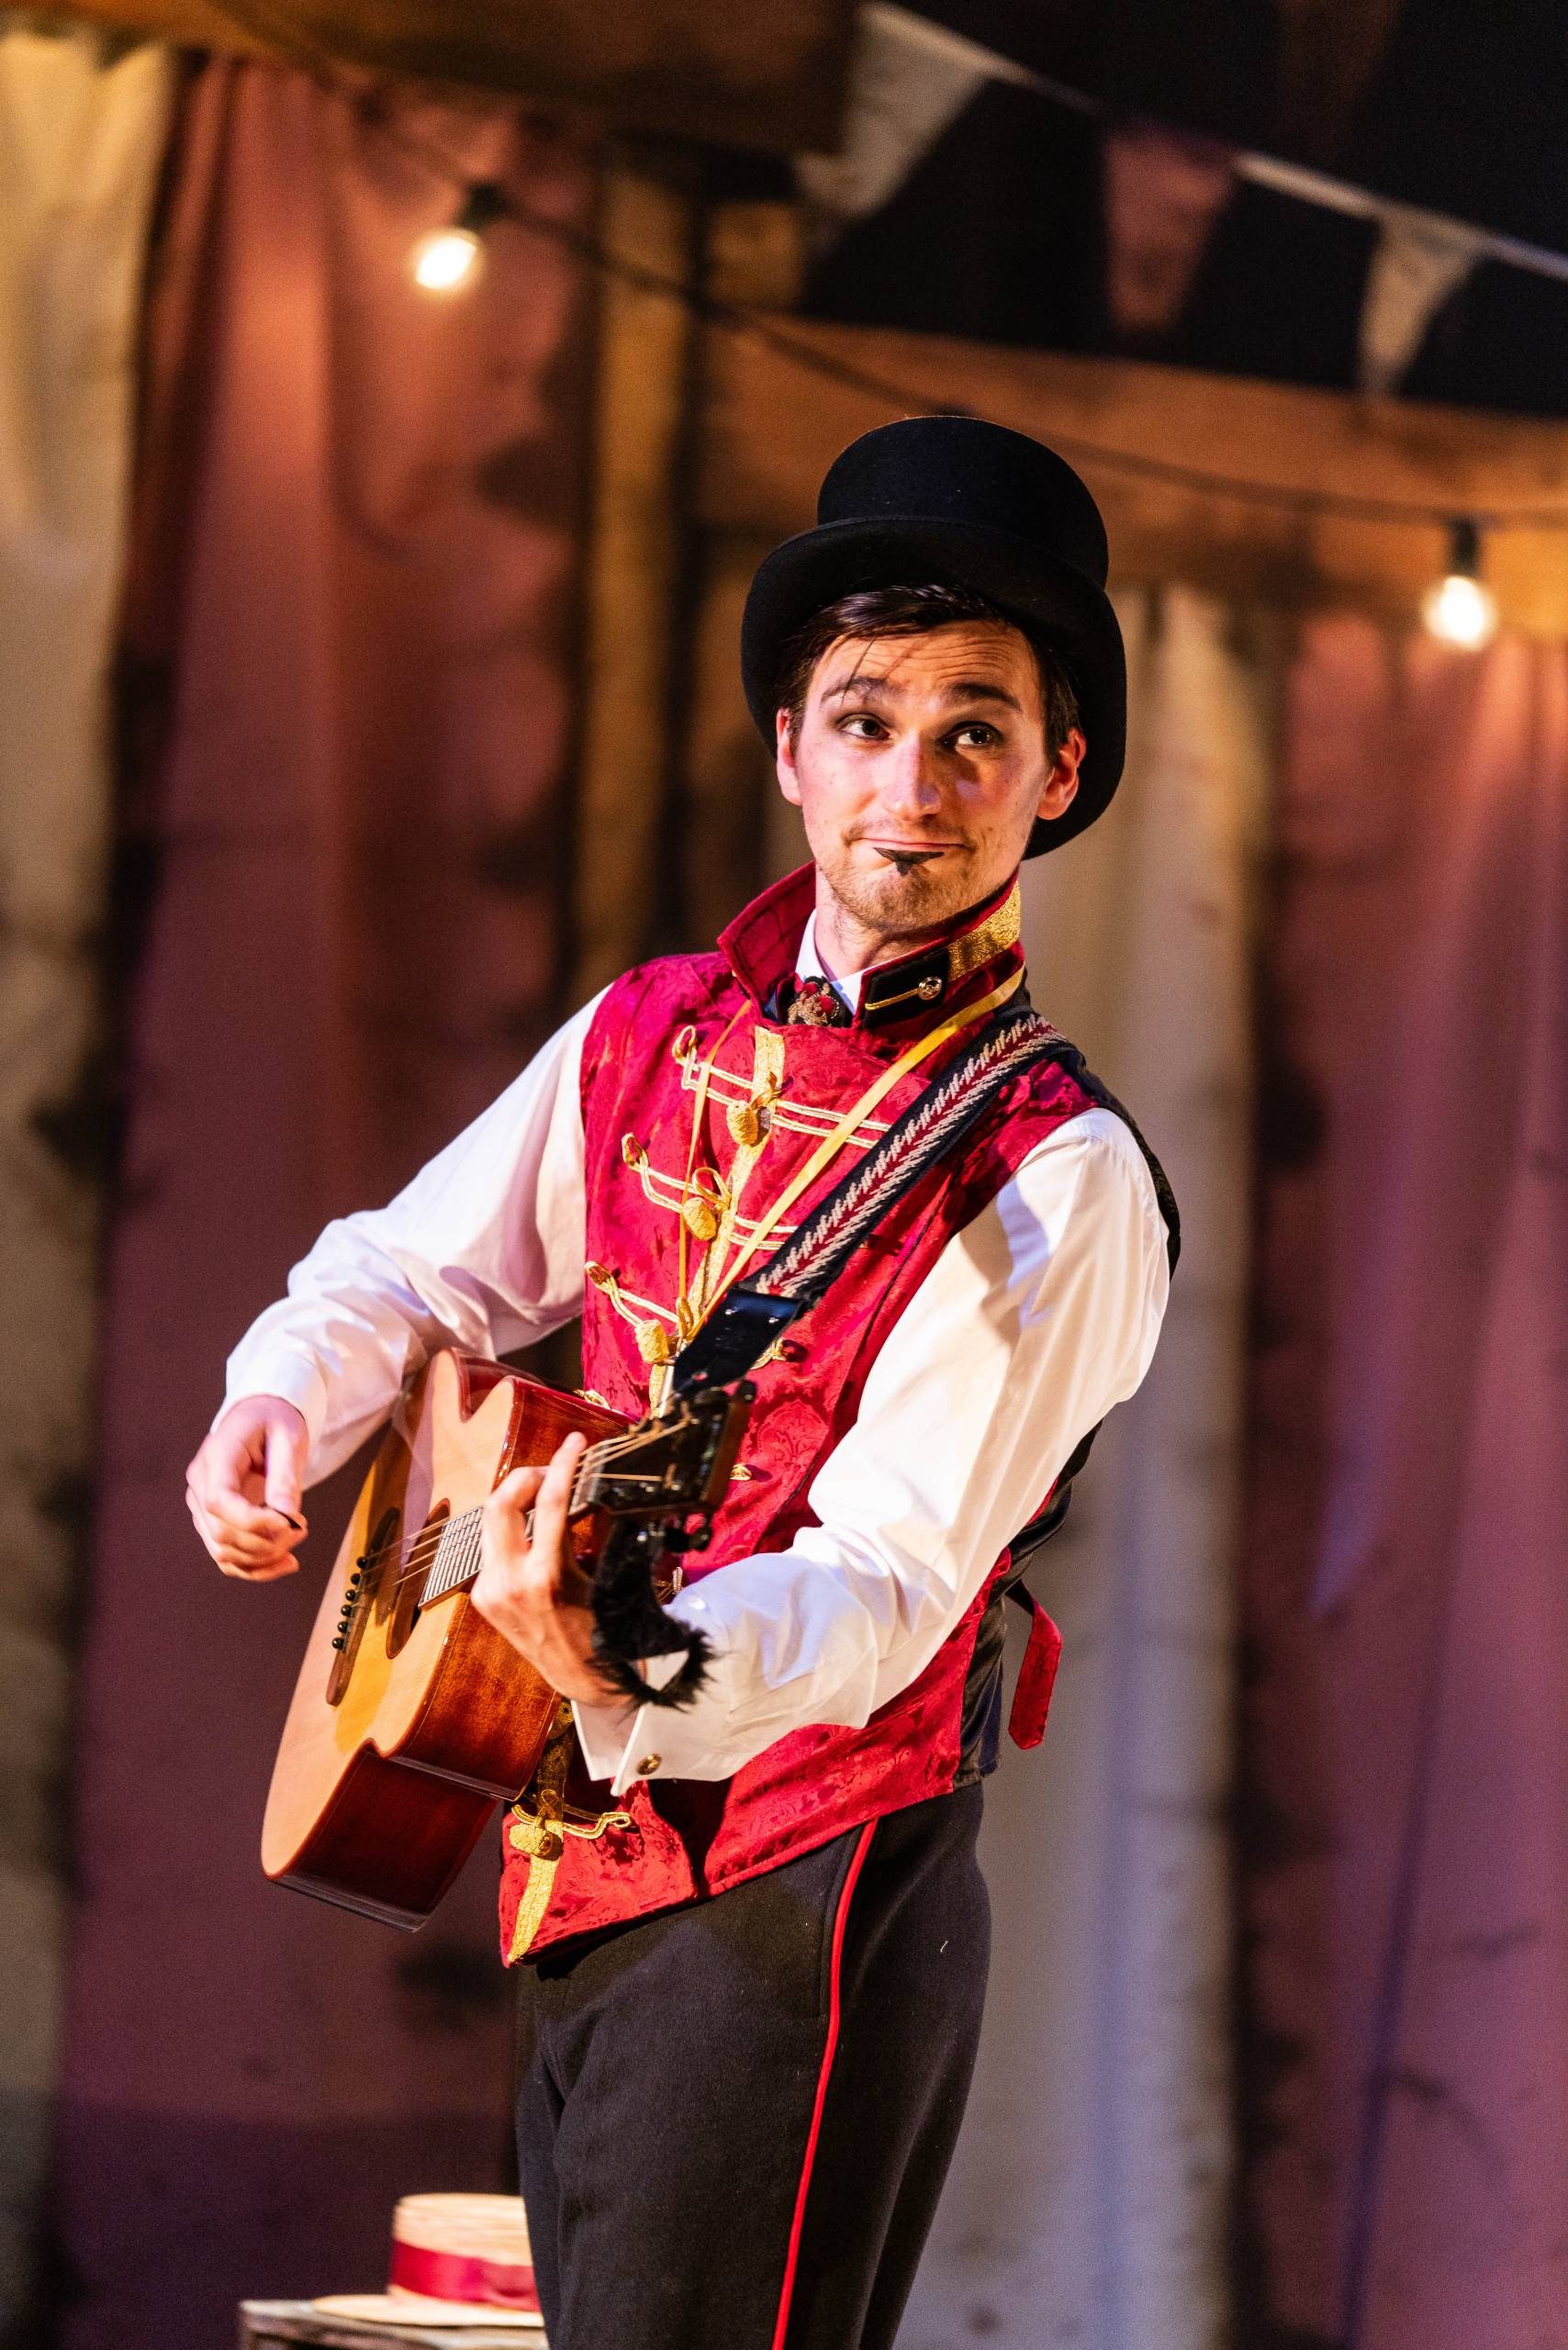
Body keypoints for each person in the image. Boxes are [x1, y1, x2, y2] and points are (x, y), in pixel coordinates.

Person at [185, 416, 1175, 2350]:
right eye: (865, 720)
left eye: (974, 730)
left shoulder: (1053, 1173)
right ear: (791, 745)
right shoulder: (650, 1025)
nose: (910, 787)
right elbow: (410, 1262)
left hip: (806, 1886)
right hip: (571, 1857)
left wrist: (623, 1654)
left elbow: (888, 1584)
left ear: (1056, 773)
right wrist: (287, 1403)